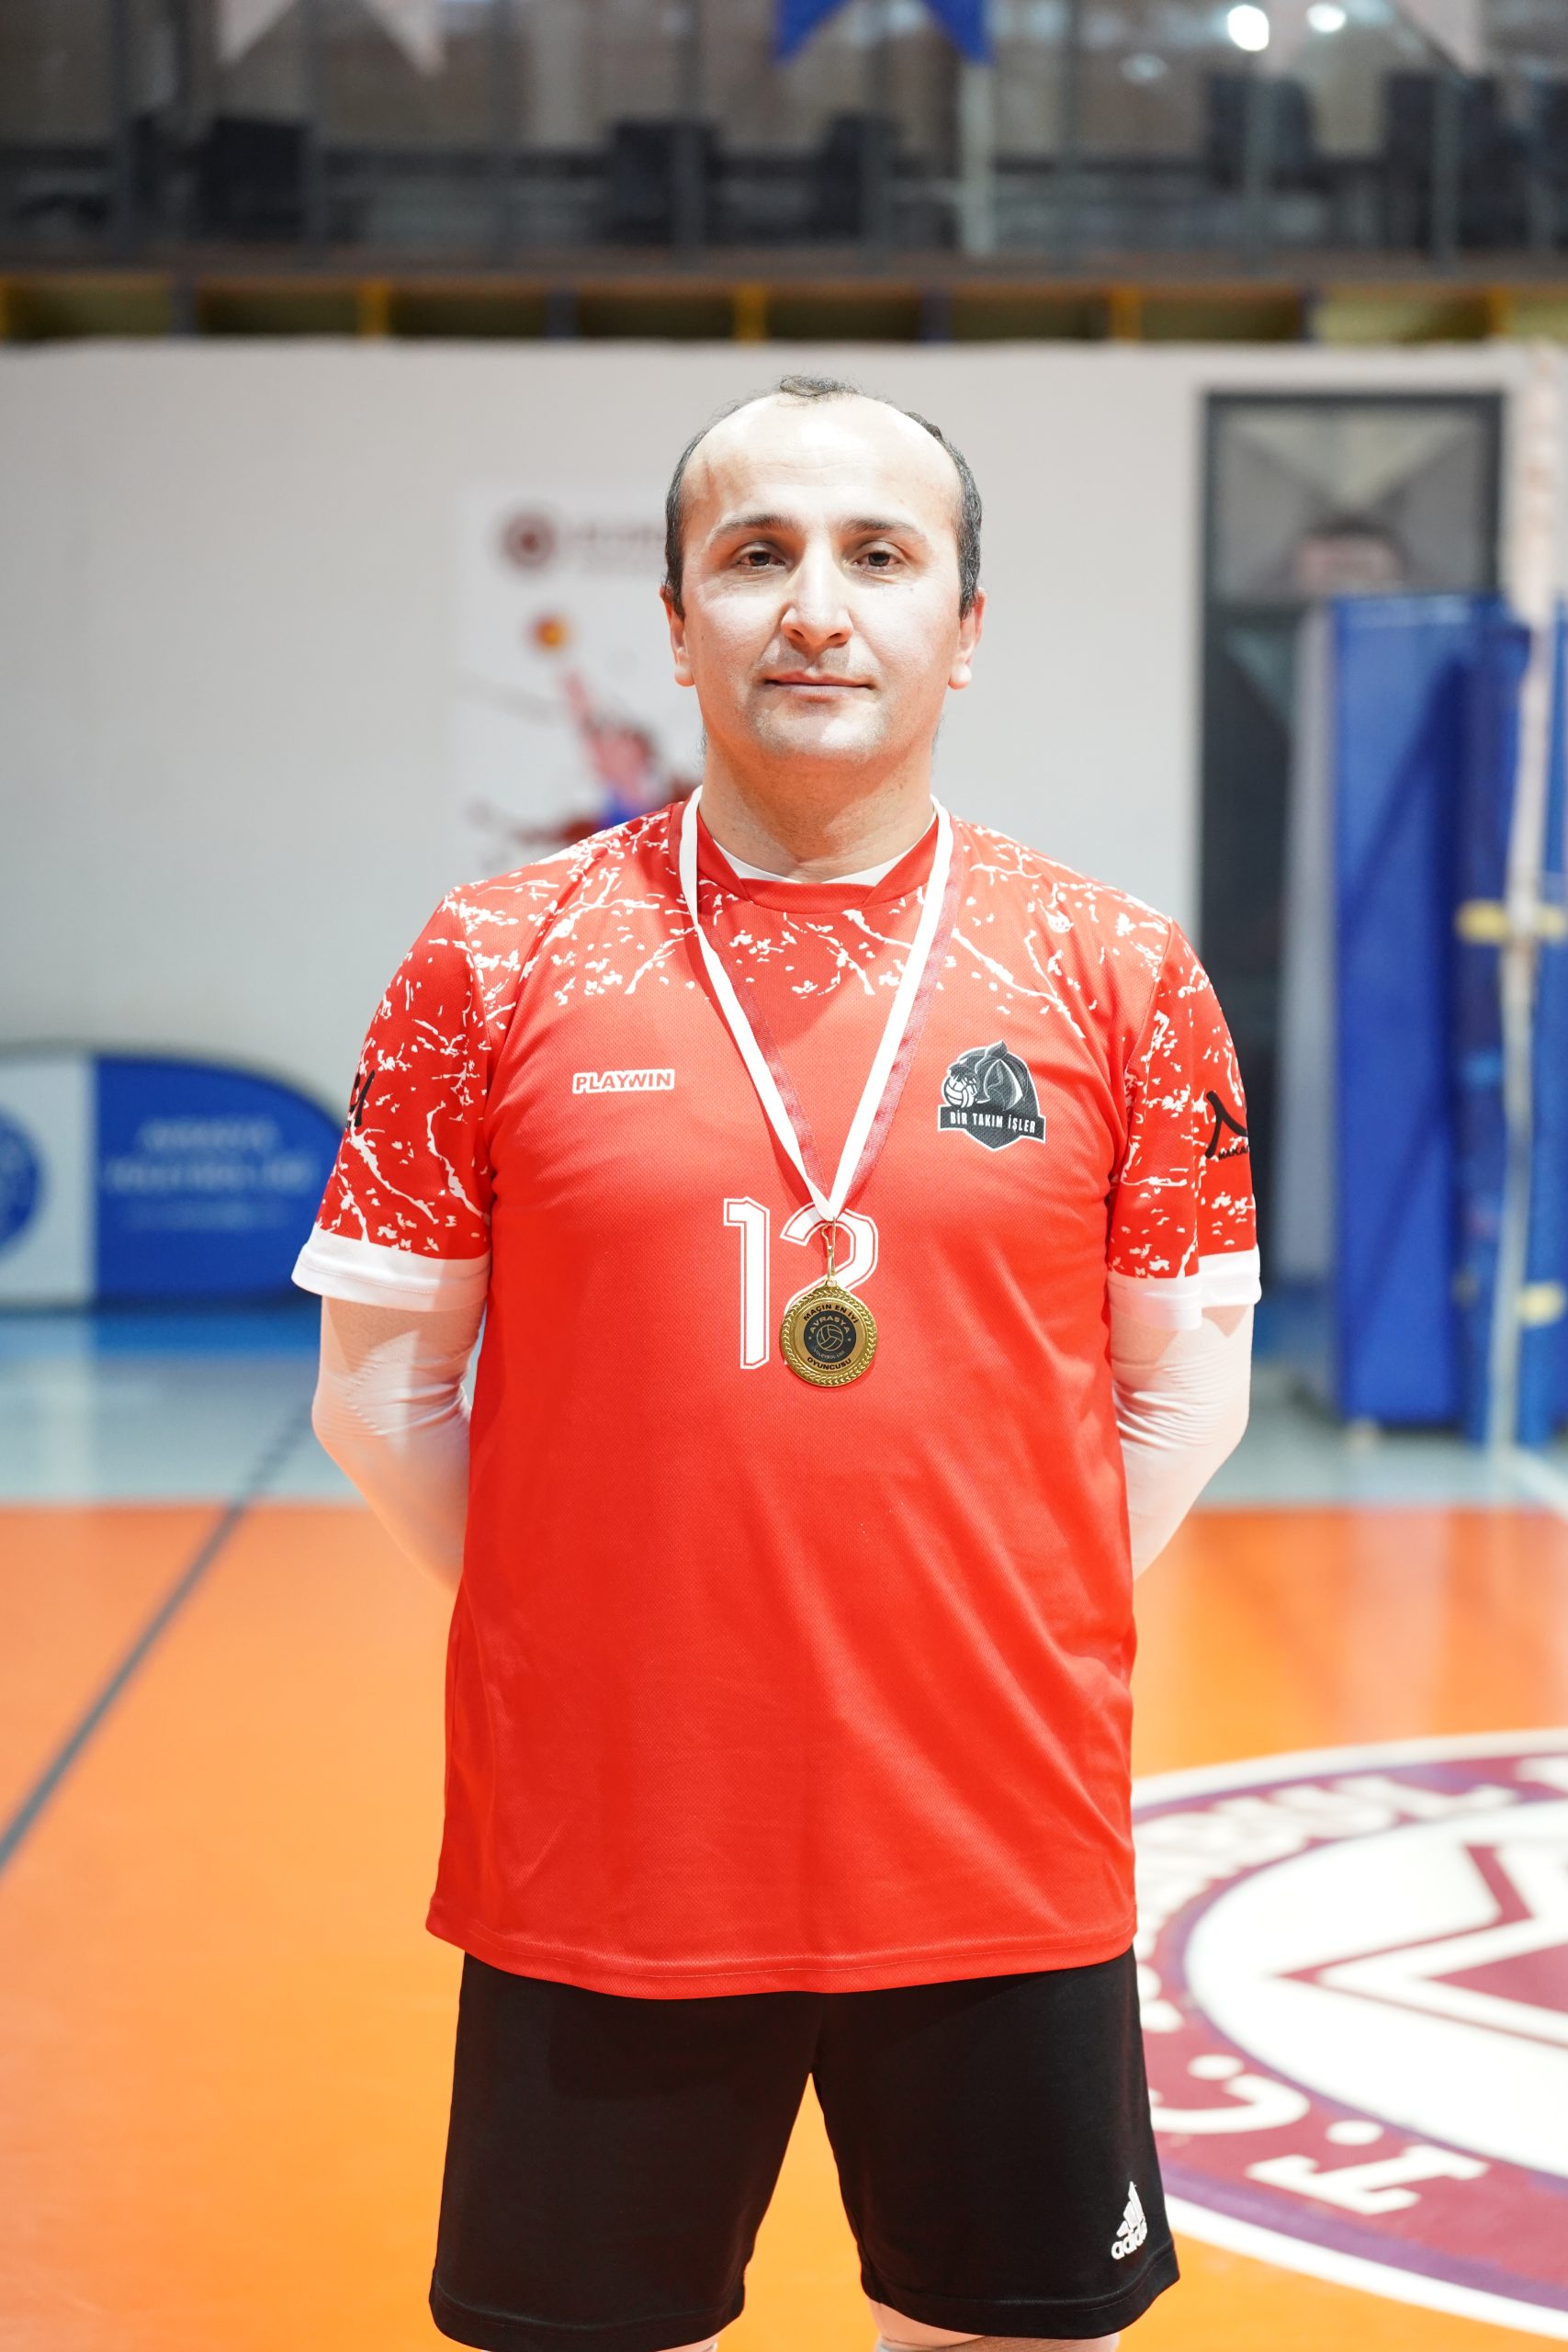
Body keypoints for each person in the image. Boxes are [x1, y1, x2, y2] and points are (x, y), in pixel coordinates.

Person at [294, 372, 1259, 2352]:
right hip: (608, 1845)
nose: (815, 606)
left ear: (962, 627)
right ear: (677, 623)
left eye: (877, 555)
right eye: (756, 556)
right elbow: (381, 1391)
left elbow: (1181, 1390)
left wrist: (978, 1624)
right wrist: (603, 1629)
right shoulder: (494, 957)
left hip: (995, 1839)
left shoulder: (1116, 970)